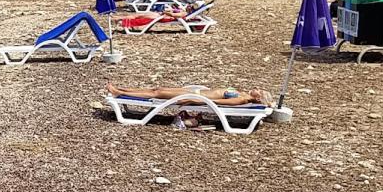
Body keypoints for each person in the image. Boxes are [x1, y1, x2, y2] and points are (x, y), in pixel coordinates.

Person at [107, 82, 270, 107]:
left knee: (156, 93)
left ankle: (119, 92)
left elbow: (217, 102)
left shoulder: (240, 99)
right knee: (157, 89)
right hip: (194, 91)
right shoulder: (242, 94)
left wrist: (192, 100)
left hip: (195, 95)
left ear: (257, 98)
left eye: (259, 90)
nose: (256, 87)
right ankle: (122, 90)